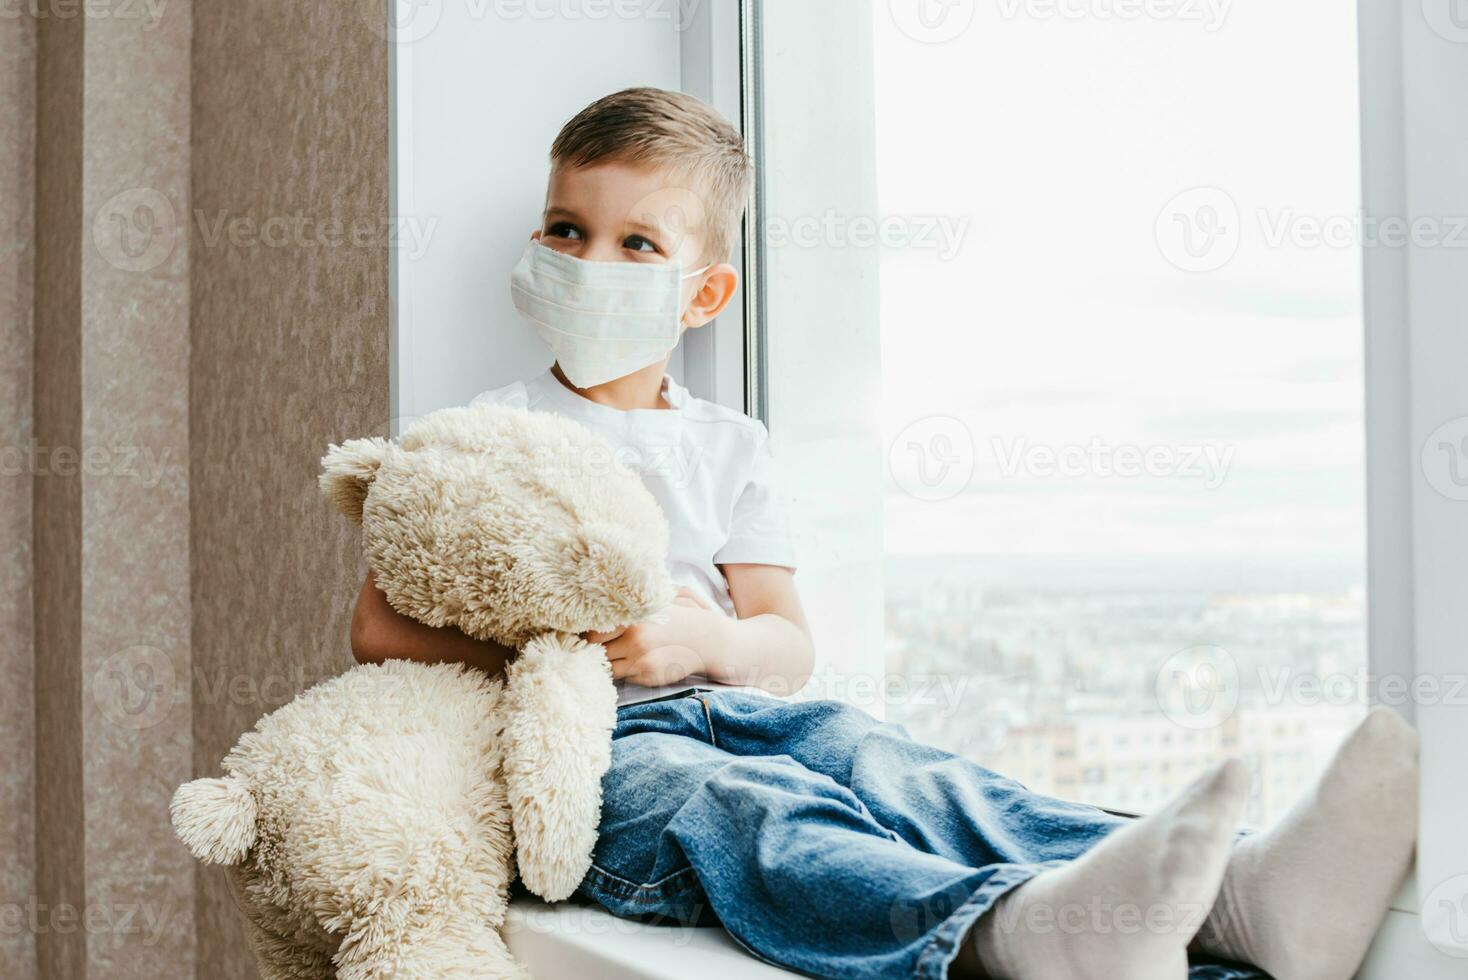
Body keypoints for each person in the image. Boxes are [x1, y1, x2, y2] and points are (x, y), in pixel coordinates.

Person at [351, 87, 1419, 980]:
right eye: (567, 230)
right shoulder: (486, 432)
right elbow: (377, 628)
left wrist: (703, 644)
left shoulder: (731, 444)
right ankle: (1005, 931)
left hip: (733, 701)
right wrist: (571, 650)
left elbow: (785, 640)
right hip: (599, 753)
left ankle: (1242, 891)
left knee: (892, 765)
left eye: (639, 243)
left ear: (704, 292)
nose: (593, 261)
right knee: (744, 811)